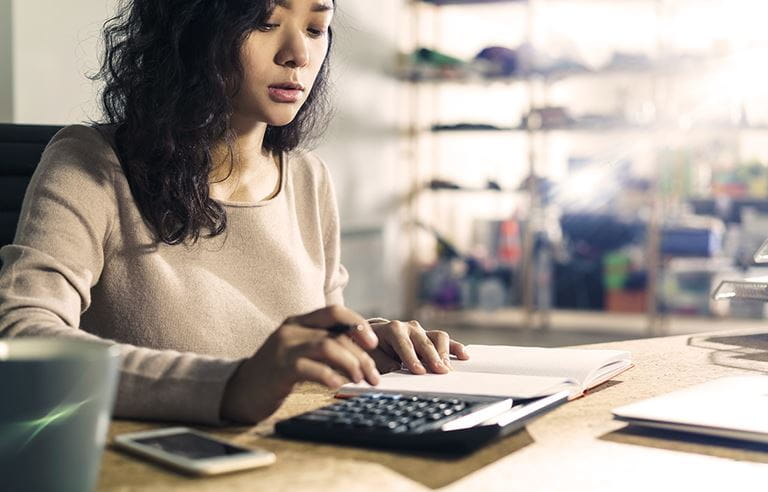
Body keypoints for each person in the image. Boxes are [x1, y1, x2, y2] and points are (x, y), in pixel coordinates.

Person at [0, 0, 470, 425]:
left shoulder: (309, 178)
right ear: (191, 30)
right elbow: (23, 337)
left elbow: (302, 342)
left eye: (315, 28)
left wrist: (363, 339)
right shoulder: (91, 162)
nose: (298, 56)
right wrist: (230, 386)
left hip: (294, 462)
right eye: (266, 22)